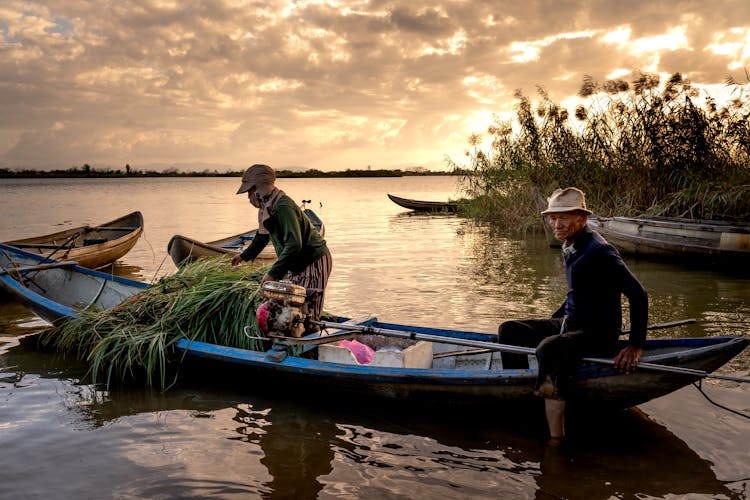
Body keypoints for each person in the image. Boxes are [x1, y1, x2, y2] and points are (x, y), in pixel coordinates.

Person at [497, 187, 648, 441]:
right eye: (552, 218)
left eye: (563, 217)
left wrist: (635, 345)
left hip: (598, 332)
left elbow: (638, 294)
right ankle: (524, 393)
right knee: (509, 330)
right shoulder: (571, 244)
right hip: (572, 322)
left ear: (581, 218)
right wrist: (552, 320)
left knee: (548, 349)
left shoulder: (600, 251)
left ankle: (557, 439)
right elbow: (576, 294)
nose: (556, 223)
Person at [231, 164, 332, 328]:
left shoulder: (282, 206)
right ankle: (296, 341)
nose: (248, 196)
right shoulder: (268, 207)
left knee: (307, 311)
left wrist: (273, 273)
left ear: (259, 189)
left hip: (313, 260)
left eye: (249, 191)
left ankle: (310, 346)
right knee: (294, 308)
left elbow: (294, 244)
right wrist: (244, 255)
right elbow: (262, 236)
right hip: (296, 264)